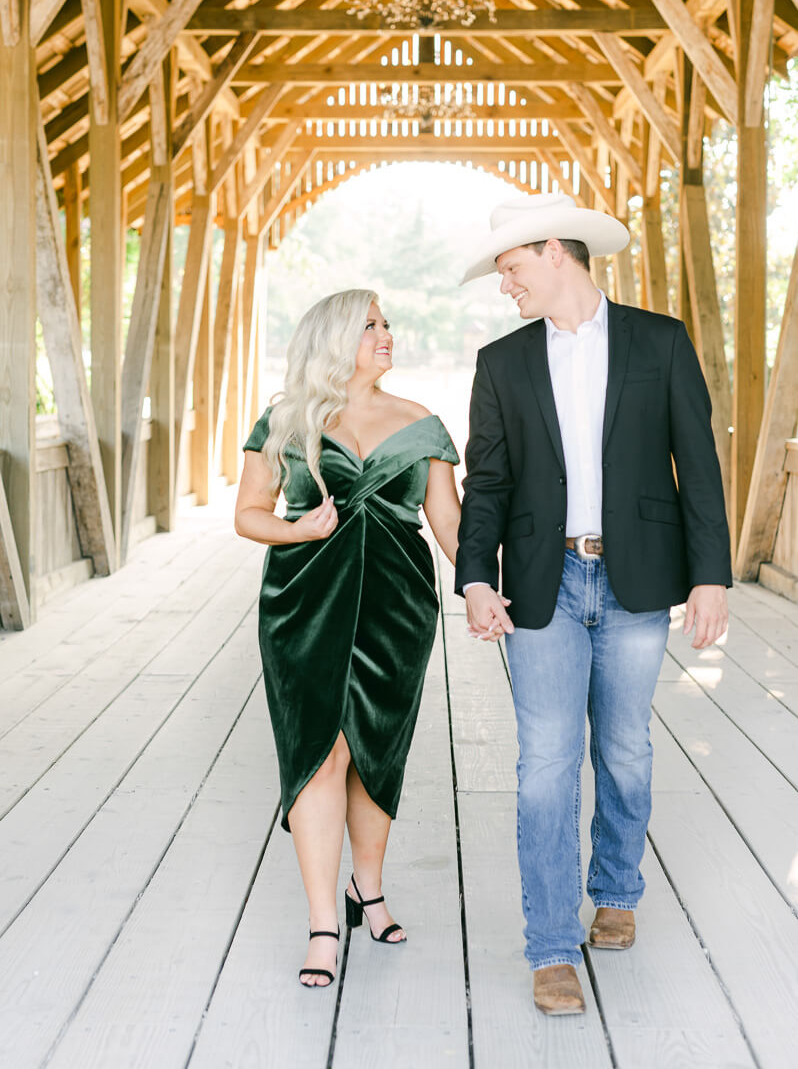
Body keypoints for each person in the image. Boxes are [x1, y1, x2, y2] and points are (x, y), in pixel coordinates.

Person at [455, 193, 731, 1016]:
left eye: (512, 268)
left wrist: (710, 574)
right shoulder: (501, 363)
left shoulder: (660, 340)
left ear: (553, 252)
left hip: (637, 581)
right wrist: (474, 575)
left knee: (625, 748)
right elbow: (489, 485)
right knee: (544, 764)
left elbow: (700, 463)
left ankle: (616, 889)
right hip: (542, 583)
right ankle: (549, 946)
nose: (507, 286)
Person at [234, 288, 461, 988]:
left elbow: (453, 528)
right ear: (335, 338)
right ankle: (323, 924)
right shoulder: (285, 420)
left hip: (398, 609)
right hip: (304, 606)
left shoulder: (421, 424)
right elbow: (249, 515)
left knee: (374, 751)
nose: (386, 336)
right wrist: (300, 529)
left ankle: (370, 888)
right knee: (320, 754)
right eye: (370, 327)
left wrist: (489, 590)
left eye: (388, 324)